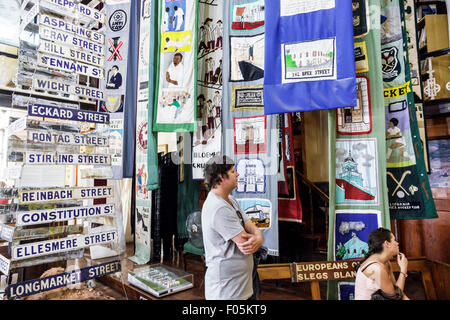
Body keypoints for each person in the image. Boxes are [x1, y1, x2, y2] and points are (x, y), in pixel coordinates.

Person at [201, 155, 264, 300]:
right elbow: (246, 244)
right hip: (227, 293)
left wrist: (258, 236)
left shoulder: (231, 201)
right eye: (233, 171)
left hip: (241, 288)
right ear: (221, 177)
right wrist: (257, 238)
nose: (237, 174)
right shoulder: (218, 208)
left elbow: (250, 225)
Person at [354, 227, 410, 300]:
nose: (397, 243)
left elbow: (397, 291)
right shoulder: (376, 268)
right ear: (387, 243)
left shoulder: (386, 263)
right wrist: (403, 270)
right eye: (394, 240)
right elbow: (396, 298)